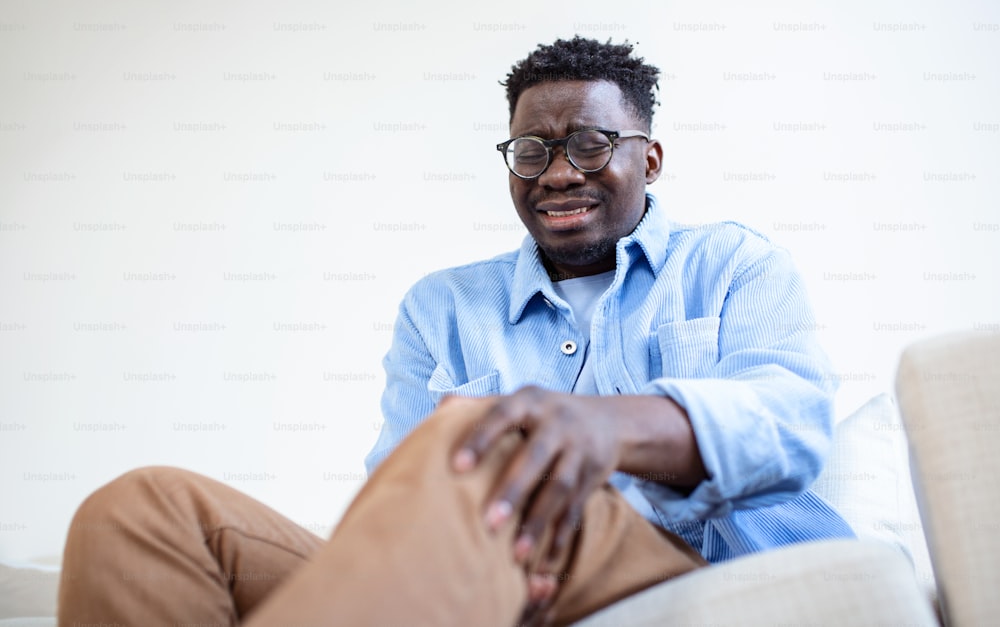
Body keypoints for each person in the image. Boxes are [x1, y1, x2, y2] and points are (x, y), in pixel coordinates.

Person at [57, 37, 853, 627]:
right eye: (532, 149)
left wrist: (605, 426)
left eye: (590, 143)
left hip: (691, 571)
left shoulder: (731, 263)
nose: (558, 172)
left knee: (487, 442)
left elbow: (793, 423)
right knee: (141, 508)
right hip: (491, 571)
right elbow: (394, 497)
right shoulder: (438, 307)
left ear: (649, 160)